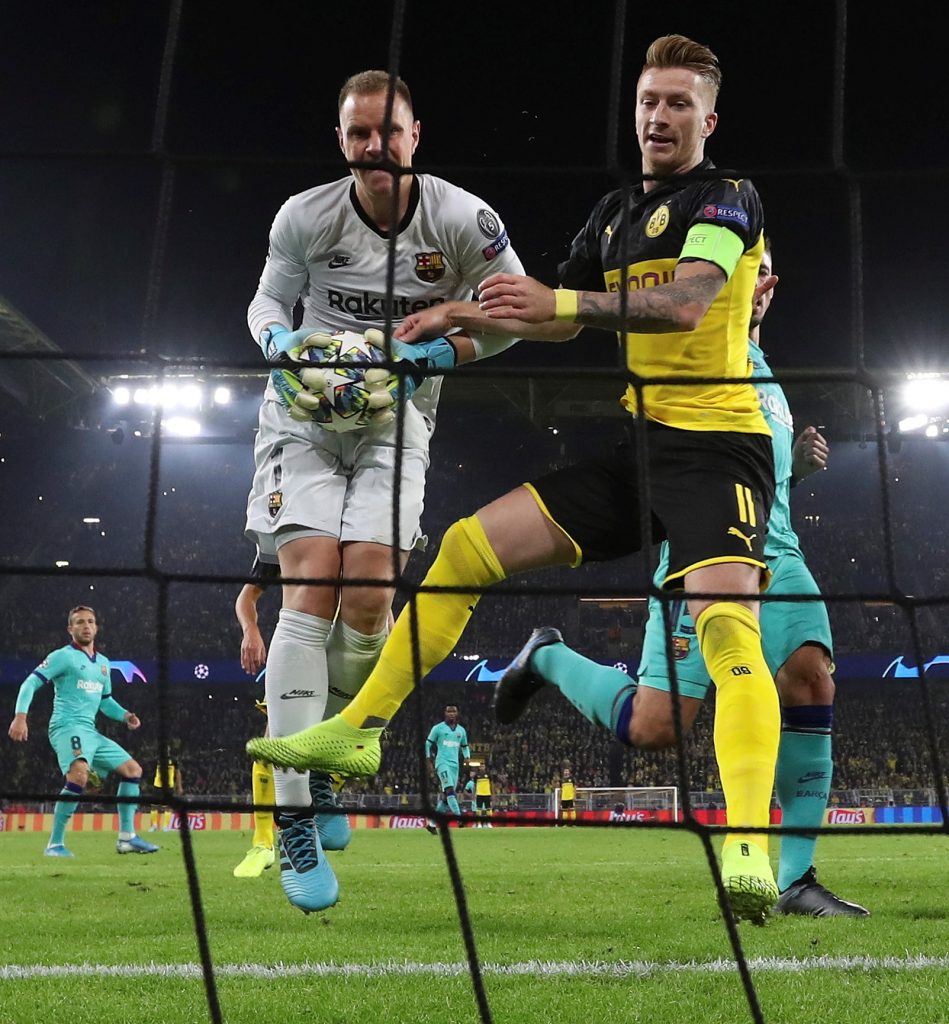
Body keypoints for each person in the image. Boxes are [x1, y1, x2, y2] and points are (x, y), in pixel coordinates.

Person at [249, 35, 782, 923]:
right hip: (640, 447)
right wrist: (458, 314)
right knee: (465, 548)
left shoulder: (726, 198)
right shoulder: (612, 215)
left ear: (707, 120)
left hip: (719, 450)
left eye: (678, 104)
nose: (658, 117)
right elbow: (547, 316)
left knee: (728, 636)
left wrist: (559, 302)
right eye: (648, 101)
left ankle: (747, 849)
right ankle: (355, 732)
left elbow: (685, 302)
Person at [494, 242, 869, 917]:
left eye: (757, 274)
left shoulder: (769, 378)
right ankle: (547, 656)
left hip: (780, 556)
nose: (748, 285)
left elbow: (752, 476)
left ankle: (795, 879)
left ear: (768, 287)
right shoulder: (693, 358)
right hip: (703, 555)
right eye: (736, 273)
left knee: (811, 678)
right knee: (655, 725)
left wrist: (797, 472)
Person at [242, 68, 526, 913]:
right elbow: (266, 300)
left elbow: (515, 317)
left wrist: (448, 351)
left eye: (388, 131)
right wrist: (281, 345)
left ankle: (328, 751)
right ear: (341, 140)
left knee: (370, 596)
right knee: (312, 582)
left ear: (414, 135)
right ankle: (294, 814)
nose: (374, 147)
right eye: (358, 133)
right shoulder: (305, 215)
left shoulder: (462, 221)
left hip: (397, 421)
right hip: (302, 417)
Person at [232, 548, 354, 879]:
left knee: (346, 745)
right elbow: (247, 597)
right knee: (273, 743)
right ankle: (264, 842)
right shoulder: (292, 535)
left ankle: (315, 808)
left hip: (349, 653)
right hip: (301, 647)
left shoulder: (358, 535)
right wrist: (250, 629)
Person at [6, 605, 159, 857]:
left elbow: (105, 701)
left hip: (91, 732)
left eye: (90, 621)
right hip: (66, 727)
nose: (86, 626)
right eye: (79, 622)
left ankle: (127, 838)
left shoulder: (103, 664)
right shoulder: (62, 657)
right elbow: (30, 683)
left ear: (96, 627)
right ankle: (54, 844)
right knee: (78, 776)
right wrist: (20, 717)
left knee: (133, 771)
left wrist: (125, 715)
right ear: (70, 629)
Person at [425, 704, 470, 825]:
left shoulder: (461, 731)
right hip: (442, 763)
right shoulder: (438, 728)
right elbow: (428, 744)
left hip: (455, 766)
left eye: (453, 711)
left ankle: (432, 824)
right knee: (450, 790)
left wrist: (467, 757)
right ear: (445, 713)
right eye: (449, 711)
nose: (451, 714)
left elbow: (465, 746)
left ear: (457, 713)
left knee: (446, 798)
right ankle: (459, 818)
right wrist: (428, 760)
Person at [149, 756, 183, 832]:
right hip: (157, 785)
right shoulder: (158, 758)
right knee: (154, 806)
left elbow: (178, 773)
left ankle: (165, 827)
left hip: (169, 786)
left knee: (168, 806)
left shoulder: (174, 760)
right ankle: (154, 826)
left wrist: (179, 786)